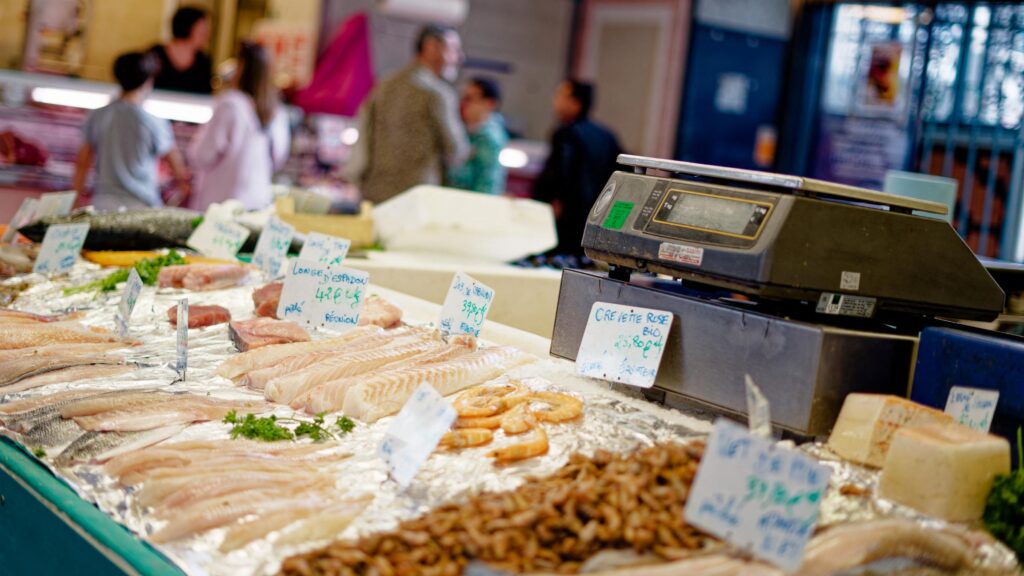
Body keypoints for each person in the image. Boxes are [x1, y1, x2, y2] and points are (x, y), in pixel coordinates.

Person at [344, 24, 469, 203]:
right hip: (416, 198)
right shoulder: (438, 94)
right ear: (430, 47)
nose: (459, 57)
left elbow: (364, 136)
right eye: (453, 50)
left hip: (375, 193)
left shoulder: (384, 85)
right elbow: (456, 151)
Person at [73, 51, 189, 212]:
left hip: (104, 204)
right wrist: (184, 186)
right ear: (148, 82)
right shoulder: (153, 122)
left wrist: (75, 198)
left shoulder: (98, 116)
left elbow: (83, 161)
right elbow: (175, 163)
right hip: (142, 205)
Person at [187, 42, 289, 211]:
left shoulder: (231, 104)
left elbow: (203, 155)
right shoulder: (277, 111)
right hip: (258, 203)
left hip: (222, 205)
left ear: (242, 67)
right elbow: (279, 158)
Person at [533, 79, 623, 259]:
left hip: (567, 218)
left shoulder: (566, 133)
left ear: (575, 102)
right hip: (598, 217)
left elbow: (559, 173)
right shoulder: (606, 135)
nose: (555, 101)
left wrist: (547, 200)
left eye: (560, 95)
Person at [448, 77, 507, 195]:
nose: (464, 103)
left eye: (470, 98)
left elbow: (487, 183)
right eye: (464, 97)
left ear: (489, 104)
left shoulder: (489, 138)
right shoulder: (464, 129)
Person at [151, 6, 212, 94]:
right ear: (187, 27)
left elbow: (204, 95)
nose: (207, 35)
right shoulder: (155, 55)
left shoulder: (203, 61)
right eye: (202, 31)